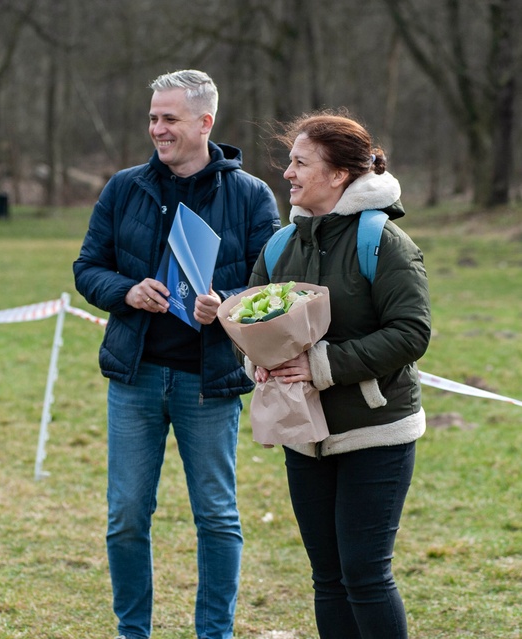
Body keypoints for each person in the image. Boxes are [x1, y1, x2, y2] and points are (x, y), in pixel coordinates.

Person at [73, 69, 280, 639]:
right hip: (135, 377)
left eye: (168, 119)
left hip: (208, 383)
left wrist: (229, 305)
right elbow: (87, 269)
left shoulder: (251, 196)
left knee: (216, 517)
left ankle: (215, 634)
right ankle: (131, 632)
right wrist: (127, 290)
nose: (156, 129)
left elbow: (274, 290)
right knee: (125, 519)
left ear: (204, 123)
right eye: (152, 118)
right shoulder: (124, 188)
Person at [246, 111, 431, 639]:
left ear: (339, 175)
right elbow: (250, 318)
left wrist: (320, 366)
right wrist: (259, 361)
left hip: (375, 431)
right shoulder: (281, 244)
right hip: (304, 438)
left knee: (365, 576)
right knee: (326, 578)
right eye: (289, 161)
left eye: (301, 163)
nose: (287, 173)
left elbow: (411, 333)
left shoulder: (385, 242)